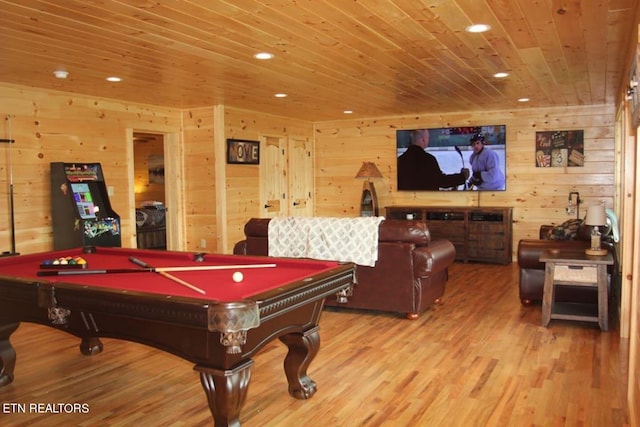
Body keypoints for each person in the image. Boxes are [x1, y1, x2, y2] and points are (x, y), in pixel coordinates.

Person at [397, 129, 470, 190]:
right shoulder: (428, 159)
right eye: (428, 137)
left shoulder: (400, 160)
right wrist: (462, 177)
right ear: (423, 139)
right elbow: (441, 181)